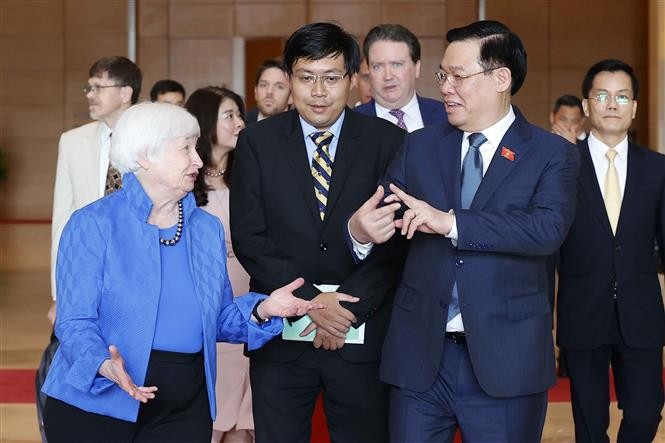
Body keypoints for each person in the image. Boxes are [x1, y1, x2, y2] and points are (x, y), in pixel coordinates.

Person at [348, 20, 579, 442]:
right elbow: (380, 215)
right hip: (420, 359)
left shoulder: (550, 154)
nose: (446, 87)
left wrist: (450, 222)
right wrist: (359, 231)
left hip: (505, 362)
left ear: (501, 79)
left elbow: (546, 229)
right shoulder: (419, 146)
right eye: (443, 75)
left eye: (459, 76)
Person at [41, 102, 322, 443]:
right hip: (98, 403)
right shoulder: (92, 224)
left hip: (184, 407)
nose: (199, 161)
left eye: (197, 148)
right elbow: (74, 322)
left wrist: (263, 310)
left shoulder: (206, 229)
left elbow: (216, 319)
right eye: (185, 149)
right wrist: (103, 364)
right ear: (145, 156)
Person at [231, 22, 406, 443]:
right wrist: (313, 304)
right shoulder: (257, 141)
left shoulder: (388, 141)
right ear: (290, 79)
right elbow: (251, 239)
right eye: (307, 78)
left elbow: (397, 240)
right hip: (282, 340)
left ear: (351, 80)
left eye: (331, 78)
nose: (319, 91)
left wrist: (344, 312)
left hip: (361, 334)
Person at [556, 59, 665, 443]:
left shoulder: (658, 169)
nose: (612, 104)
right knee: (588, 424)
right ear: (587, 106)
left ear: (634, 107)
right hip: (582, 312)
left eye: (622, 96)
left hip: (641, 315)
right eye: (602, 96)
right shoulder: (562, 166)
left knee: (647, 410)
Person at [185, 86, 254, 443]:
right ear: (205, 122)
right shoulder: (184, 187)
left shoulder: (250, 178)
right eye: (230, 115)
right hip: (206, 305)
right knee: (213, 408)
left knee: (247, 417)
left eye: (240, 115)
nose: (240, 123)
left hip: (251, 299)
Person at [354, 24, 445, 131]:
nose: (388, 76)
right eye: (377, 66)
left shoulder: (446, 116)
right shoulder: (349, 124)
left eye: (396, 65)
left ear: (417, 68)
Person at [245, 59, 291, 124]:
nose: (269, 92)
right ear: (255, 91)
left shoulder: (301, 129)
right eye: (264, 85)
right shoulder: (242, 126)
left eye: (279, 87)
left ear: (291, 97)